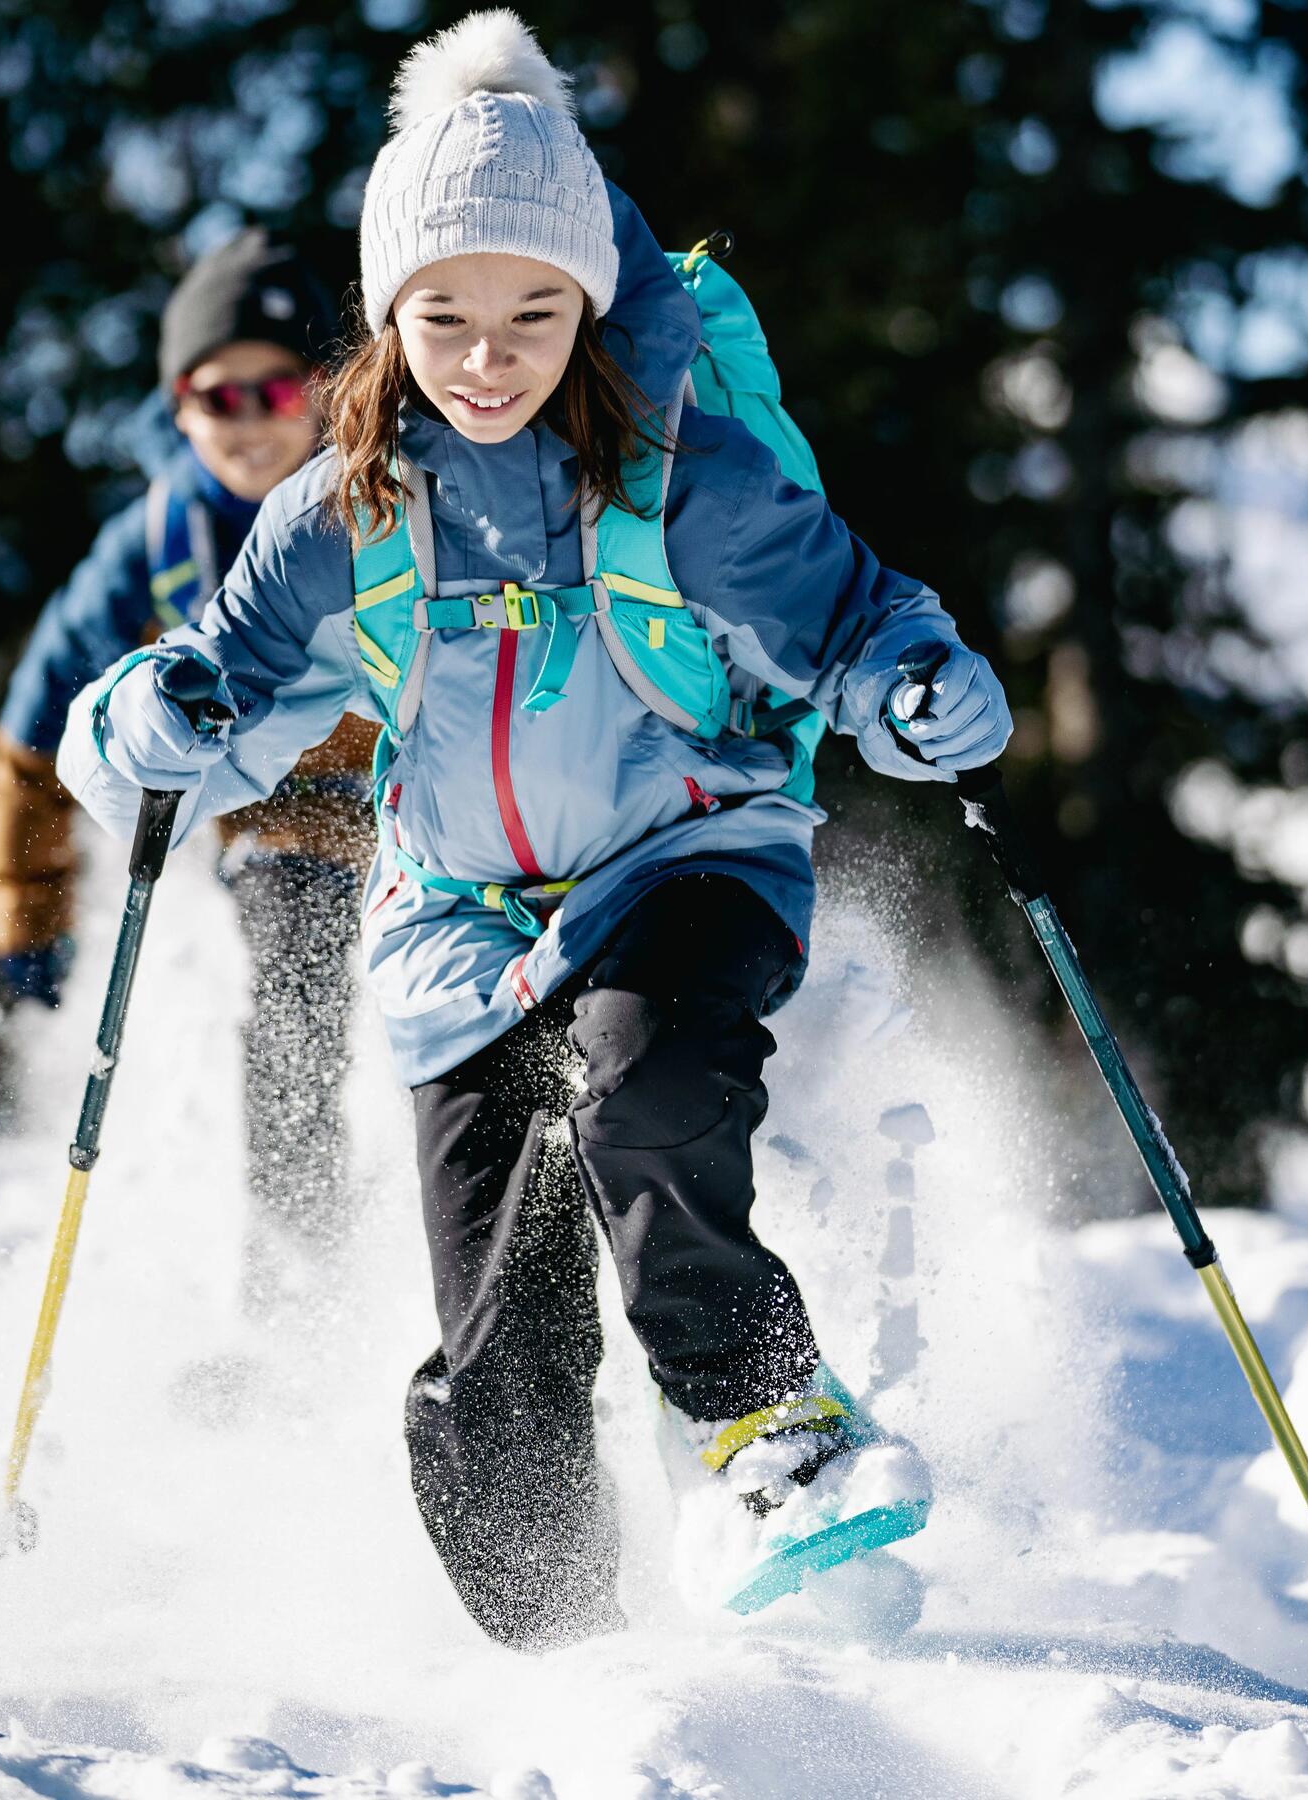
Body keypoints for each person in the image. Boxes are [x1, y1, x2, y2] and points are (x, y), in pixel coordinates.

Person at [55, 9, 1012, 1646]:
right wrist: (142, 724)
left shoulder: (681, 480)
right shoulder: (339, 514)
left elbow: (862, 622)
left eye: (530, 314)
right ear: (384, 318)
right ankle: (557, 1634)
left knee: (640, 1090)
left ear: (589, 310)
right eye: (443, 316)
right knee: (506, 1318)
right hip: (457, 921)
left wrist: (925, 688)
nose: (486, 356)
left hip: (689, 858)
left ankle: (766, 1424)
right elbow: (208, 695)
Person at [0, 230, 379, 1312]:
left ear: (327, 390)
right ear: (179, 403)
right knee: (291, 978)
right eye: (219, 393)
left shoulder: (382, 496)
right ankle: (298, 1283)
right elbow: (38, 739)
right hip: (266, 823)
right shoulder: (154, 542)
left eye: (278, 385)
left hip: (420, 800)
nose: (249, 419)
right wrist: (32, 926)